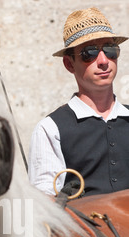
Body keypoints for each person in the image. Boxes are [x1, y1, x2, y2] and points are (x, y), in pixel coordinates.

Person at [28, 7, 129, 196]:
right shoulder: (50, 129)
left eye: (109, 49)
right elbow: (44, 206)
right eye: (89, 53)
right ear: (69, 64)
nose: (103, 60)